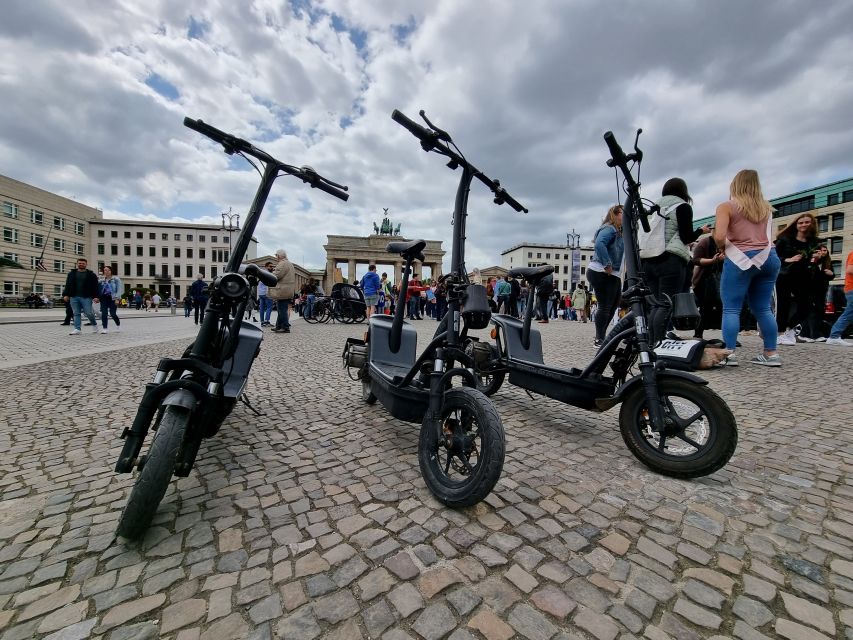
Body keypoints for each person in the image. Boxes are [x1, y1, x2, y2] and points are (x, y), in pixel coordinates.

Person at [713, 169, 781, 366]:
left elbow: (719, 235)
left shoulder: (726, 206)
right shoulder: (766, 209)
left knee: (731, 308)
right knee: (763, 307)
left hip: (740, 258)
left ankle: (729, 354)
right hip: (769, 258)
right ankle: (771, 353)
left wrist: (721, 248)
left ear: (735, 185)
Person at [641, 178, 711, 343]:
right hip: (670, 260)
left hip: (648, 260)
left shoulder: (654, 207)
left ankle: (651, 343)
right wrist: (701, 231)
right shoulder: (682, 206)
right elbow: (686, 237)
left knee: (656, 305)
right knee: (666, 304)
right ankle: (658, 344)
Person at [774, 213, 820, 345]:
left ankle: (790, 329)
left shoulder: (814, 242)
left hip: (803, 277)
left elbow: (812, 263)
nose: (803, 225)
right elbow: (772, 257)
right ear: (796, 224)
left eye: (807, 222)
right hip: (785, 275)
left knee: (806, 305)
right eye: (800, 222)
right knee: (783, 304)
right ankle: (780, 333)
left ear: (812, 224)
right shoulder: (785, 239)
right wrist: (788, 259)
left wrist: (815, 260)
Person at [587, 205, 624, 346]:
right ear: (615, 214)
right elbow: (599, 244)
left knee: (613, 305)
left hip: (611, 273)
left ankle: (602, 336)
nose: (625, 216)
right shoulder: (610, 229)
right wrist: (607, 263)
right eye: (623, 213)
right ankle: (599, 338)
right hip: (601, 272)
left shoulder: (618, 231)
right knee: (605, 306)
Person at [690, 232, 724, 339]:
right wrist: (713, 260)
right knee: (706, 308)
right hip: (705, 280)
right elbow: (696, 260)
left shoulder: (728, 242)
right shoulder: (705, 242)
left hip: (723, 278)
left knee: (726, 308)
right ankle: (698, 333)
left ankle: (729, 336)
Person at [800, 245, 834, 341]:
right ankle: (808, 334)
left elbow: (831, 276)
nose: (823, 252)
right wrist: (815, 259)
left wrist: (831, 274)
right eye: (821, 250)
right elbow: (809, 272)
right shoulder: (812, 260)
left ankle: (811, 334)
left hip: (822, 290)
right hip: (810, 290)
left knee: (818, 311)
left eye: (825, 250)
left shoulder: (827, 262)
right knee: (811, 312)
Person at [62, 258, 99, 335]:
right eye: (79, 263)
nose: (81, 264)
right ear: (77, 264)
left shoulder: (91, 275)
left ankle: (94, 324)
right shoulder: (71, 274)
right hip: (74, 296)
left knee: (89, 313)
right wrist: (66, 294)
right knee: (76, 313)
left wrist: (96, 296)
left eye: (83, 263)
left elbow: (95, 286)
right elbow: (67, 285)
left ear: (86, 264)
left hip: (86, 297)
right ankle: (77, 329)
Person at [826, 249, 853, 346]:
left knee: (850, 313)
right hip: (852, 288)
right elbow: (850, 270)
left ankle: (834, 336)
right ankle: (834, 336)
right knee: (850, 312)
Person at [269, 249, 295, 333]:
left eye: (276, 256)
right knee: (281, 308)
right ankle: (278, 326)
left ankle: (285, 327)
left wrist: (272, 272)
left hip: (282, 290)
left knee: (281, 309)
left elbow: (276, 276)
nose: (276, 257)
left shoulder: (282, 263)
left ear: (279, 256)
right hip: (288, 290)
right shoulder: (290, 264)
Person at [98, 265, 122, 333]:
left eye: (108, 270)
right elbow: (98, 289)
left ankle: (118, 325)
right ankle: (105, 328)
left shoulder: (116, 279)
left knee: (113, 314)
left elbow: (119, 289)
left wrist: (117, 298)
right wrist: (97, 297)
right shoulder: (101, 280)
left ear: (111, 271)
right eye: (105, 270)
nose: (107, 272)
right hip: (104, 298)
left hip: (113, 298)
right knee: (104, 313)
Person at [257, 261, 274, 326]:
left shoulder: (261, 273)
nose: (271, 267)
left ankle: (262, 322)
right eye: (270, 266)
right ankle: (267, 321)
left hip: (261, 293)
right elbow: (268, 284)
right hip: (266, 293)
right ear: (266, 266)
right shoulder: (268, 274)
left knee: (261, 308)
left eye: (272, 266)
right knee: (269, 307)